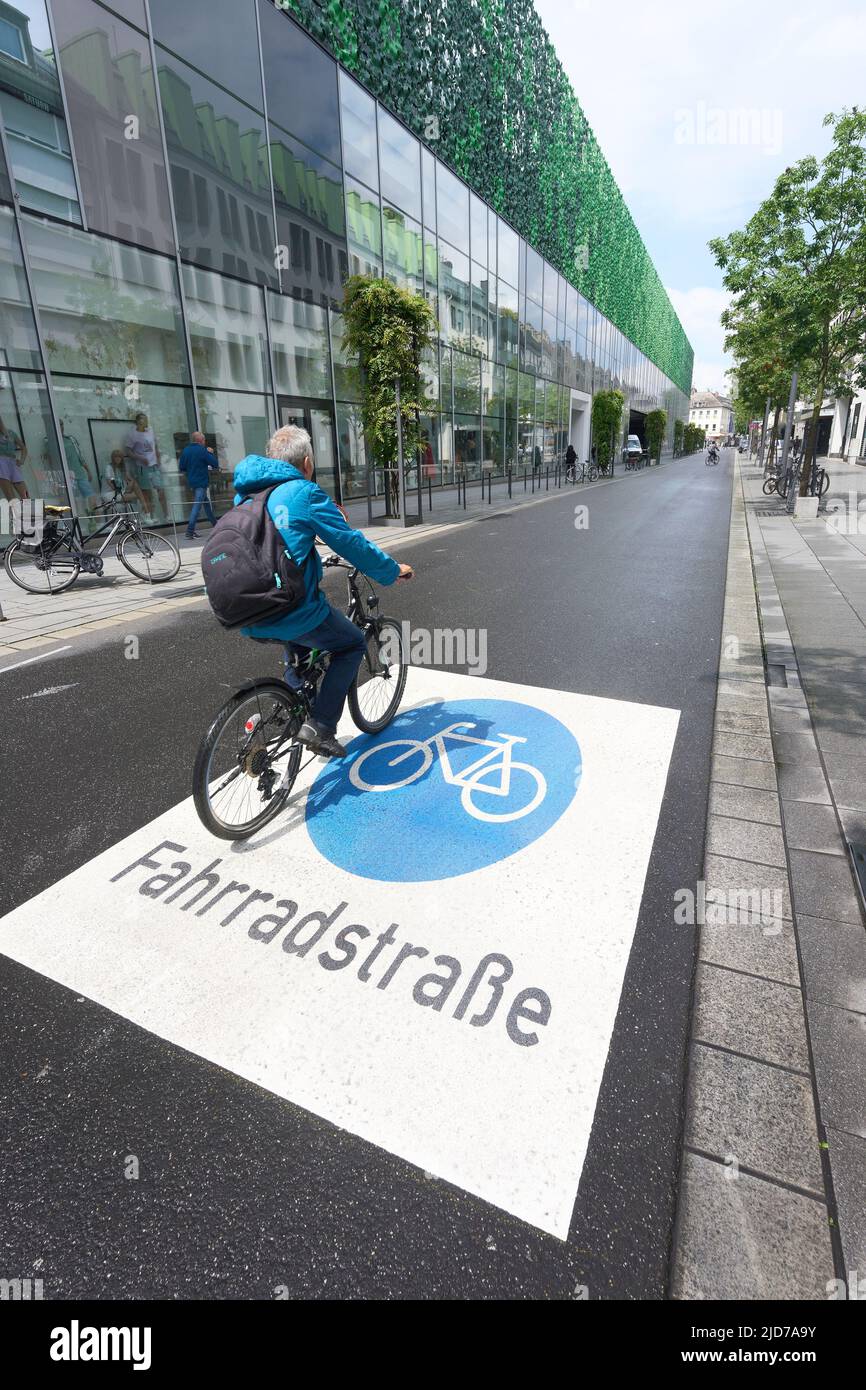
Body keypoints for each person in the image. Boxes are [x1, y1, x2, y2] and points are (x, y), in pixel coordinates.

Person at [233, 425, 413, 759]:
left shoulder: (245, 497)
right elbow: (350, 543)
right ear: (306, 462)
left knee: (299, 650)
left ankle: (297, 706)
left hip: (244, 608)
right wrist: (391, 570)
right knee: (351, 643)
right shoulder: (303, 492)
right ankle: (320, 726)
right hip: (290, 607)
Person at [124, 412, 167, 521]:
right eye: (144, 419)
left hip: (154, 466)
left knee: (161, 490)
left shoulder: (150, 430)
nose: (147, 421)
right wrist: (139, 458)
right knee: (147, 492)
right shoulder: (132, 434)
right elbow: (128, 451)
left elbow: (155, 446)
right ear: (139, 421)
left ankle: (167, 515)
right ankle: (150, 515)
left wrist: (158, 460)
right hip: (143, 467)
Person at [178, 430, 219, 538]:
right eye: (204, 439)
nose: (205, 441)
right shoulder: (202, 450)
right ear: (200, 440)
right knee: (197, 506)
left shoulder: (186, 451)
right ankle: (189, 531)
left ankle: (217, 526)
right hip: (201, 482)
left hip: (192, 482)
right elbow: (215, 464)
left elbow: (182, 467)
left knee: (206, 505)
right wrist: (210, 453)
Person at [59, 421, 98, 514]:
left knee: (91, 496)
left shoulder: (70, 439)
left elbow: (79, 455)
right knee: (72, 500)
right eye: (59, 424)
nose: (61, 427)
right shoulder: (50, 440)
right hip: (66, 476)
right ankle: (76, 523)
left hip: (79, 473)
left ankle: (95, 521)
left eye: (62, 424)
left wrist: (88, 470)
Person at [0, 415, 27, 503]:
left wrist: (22, 460)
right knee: (11, 498)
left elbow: (23, 447)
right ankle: (17, 516)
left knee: (25, 495)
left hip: (13, 463)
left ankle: (30, 514)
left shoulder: (11, 433)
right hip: (1, 464)